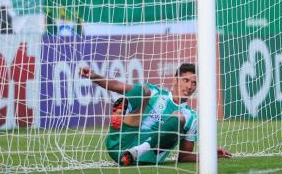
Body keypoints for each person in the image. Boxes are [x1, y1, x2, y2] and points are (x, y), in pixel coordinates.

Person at [79, 63, 231, 166]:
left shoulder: (191, 117)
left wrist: (210, 154)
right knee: (143, 91)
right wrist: (93, 75)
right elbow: (118, 86)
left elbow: (184, 156)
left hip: (141, 157)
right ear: (175, 80)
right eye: (185, 80)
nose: (189, 86)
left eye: (194, 83)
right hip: (120, 143)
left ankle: (140, 149)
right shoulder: (157, 93)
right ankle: (121, 115)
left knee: (179, 117)